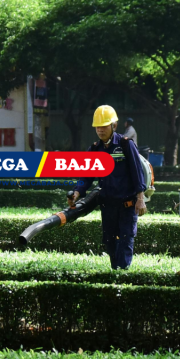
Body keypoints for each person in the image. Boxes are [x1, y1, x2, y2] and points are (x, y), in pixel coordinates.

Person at [68, 105, 147, 270]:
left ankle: (121, 277)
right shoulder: (95, 149)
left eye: (104, 126)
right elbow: (86, 176)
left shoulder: (126, 145)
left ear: (114, 126)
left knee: (125, 241)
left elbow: (136, 173)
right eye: (97, 126)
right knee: (110, 242)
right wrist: (76, 192)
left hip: (127, 206)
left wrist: (141, 199)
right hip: (108, 206)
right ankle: (114, 274)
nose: (100, 130)